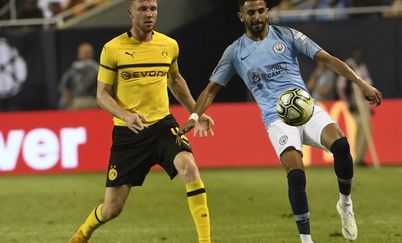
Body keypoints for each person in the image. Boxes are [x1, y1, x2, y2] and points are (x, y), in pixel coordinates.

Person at [178, 1, 382, 242]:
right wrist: (194, 116)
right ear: (241, 16)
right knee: (296, 175)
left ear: (266, 12)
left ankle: (346, 205)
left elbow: (327, 59)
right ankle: (306, 240)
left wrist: (360, 83)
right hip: (277, 119)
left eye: (261, 11)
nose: (257, 17)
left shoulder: (287, 36)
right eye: (251, 13)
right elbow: (211, 90)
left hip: (306, 108)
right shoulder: (235, 52)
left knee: (341, 146)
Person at [69, 0, 213, 242]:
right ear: (130, 13)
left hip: (163, 126)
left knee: (189, 166)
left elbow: (175, 80)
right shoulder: (113, 49)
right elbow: (102, 95)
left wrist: (195, 113)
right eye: (143, 9)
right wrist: (125, 115)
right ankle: (84, 232)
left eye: (153, 9)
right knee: (112, 209)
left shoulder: (169, 45)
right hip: (128, 134)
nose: (149, 14)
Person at [337, 47, 373, 166]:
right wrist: (348, 103)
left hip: (364, 103)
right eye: (357, 56)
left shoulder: (362, 67)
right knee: (360, 128)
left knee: (367, 130)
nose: (359, 58)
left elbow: (368, 85)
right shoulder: (349, 66)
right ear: (354, 56)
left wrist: (369, 105)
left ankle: (359, 157)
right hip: (354, 102)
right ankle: (356, 157)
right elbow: (341, 86)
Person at [59, 42, 99, 109]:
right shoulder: (98, 68)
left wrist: (67, 104)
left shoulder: (72, 69)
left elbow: (65, 88)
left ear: (79, 55)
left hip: (78, 102)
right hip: (93, 102)